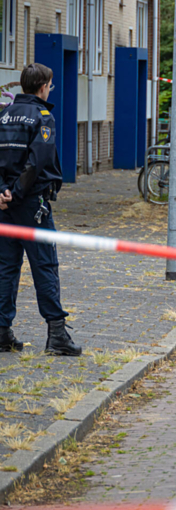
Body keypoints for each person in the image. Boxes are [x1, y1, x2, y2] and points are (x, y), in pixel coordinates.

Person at [0, 63, 79, 356]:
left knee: (5, 268)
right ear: (43, 86)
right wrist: (18, 193)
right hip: (32, 205)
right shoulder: (43, 117)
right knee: (45, 266)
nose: (50, 90)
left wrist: (2, 193)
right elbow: (39, 162)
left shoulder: (3, 115)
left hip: (4, 207)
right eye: (51, 85)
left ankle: (2, 332)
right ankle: (57, 335)